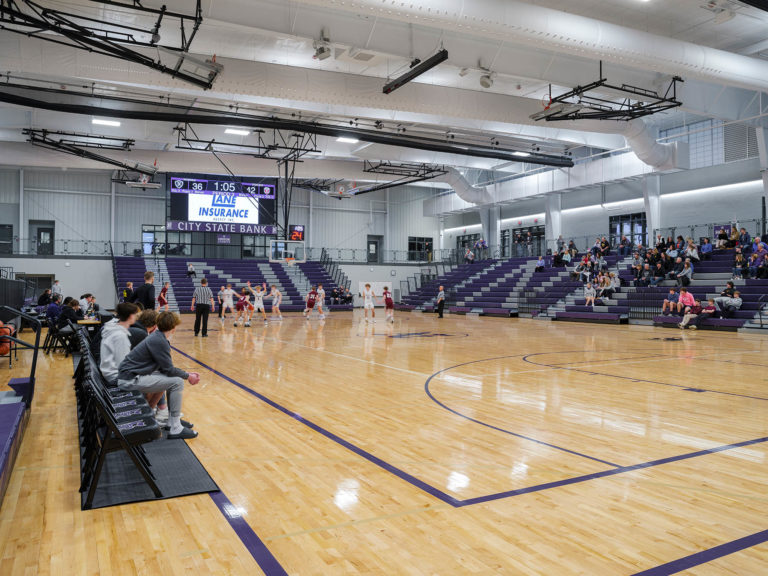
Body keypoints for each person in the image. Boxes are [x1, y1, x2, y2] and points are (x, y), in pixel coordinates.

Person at [117, 311, 199, 439]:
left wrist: (186, 373)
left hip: (129, 376)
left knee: (174, 379)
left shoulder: (157, 337)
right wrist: (188, 376)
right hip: (129, 380)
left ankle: (172, 422)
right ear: (173, 327)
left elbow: (165, 369)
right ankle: (176, 427)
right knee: (178, 382)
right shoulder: (159, 340)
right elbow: (169, 370)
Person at [99, 302, 140, 386]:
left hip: (109, 373)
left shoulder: (111, 328)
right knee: (166, 381)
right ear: (131, 316)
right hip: (116, 378)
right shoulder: (120, 336)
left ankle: (145, 398)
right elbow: (123, 366)